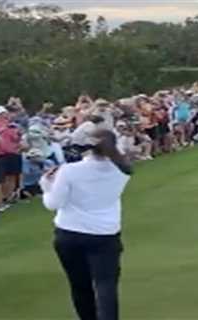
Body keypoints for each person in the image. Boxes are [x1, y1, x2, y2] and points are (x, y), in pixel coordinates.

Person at [40, 129, 132, 320]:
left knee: (80, 285)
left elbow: (53, 203)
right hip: (105, 234)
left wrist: (46, 185)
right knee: (106, 285)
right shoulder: (122, 170)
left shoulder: (69, 171)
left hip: (69, 233)